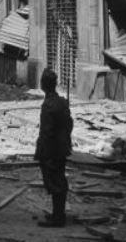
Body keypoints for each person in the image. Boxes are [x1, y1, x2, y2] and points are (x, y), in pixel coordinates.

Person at [34, 67, 73, 228]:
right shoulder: (62, 102)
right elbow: (69, 124)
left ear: (43, 85)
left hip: (51, 150)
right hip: (62, 147)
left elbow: (47, 132)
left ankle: (58, 218)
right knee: (59, 180)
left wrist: (41, 151)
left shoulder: (49, 105)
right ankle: (58, 214)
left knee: (55, 183)